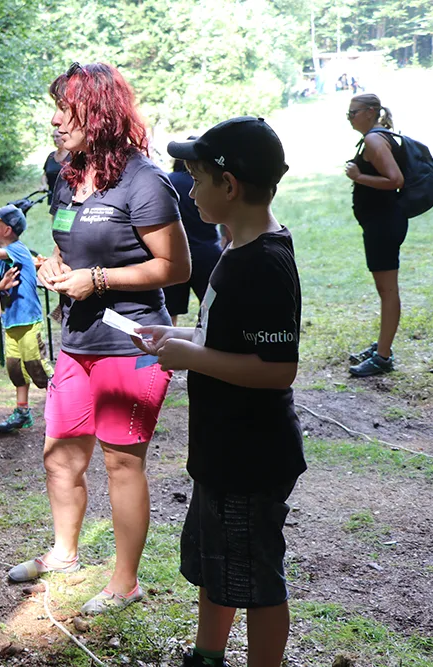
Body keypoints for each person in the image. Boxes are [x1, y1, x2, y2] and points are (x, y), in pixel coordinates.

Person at [7, 62, 190, 616]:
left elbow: (175, 266)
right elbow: (72, 246)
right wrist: (55, 267)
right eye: (56, 109)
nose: (56, 121)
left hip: (132, 343)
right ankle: (64, 554)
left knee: (120, 463)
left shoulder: (144, 179)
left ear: (101, 113)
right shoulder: (63, 173)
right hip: (77, 341)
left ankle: (124, 581)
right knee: (60, 455)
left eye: (68, 109)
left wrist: (101, 280)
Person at [137, 117, 306, 667]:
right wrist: (179, 336)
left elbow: (278, 369)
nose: (190, 190)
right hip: (223, 451)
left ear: (229, 187)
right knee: (218, 564)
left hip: (252, 456)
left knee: (255, 578)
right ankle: (207, 655)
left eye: (197, 178)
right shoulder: (237, 249)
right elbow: (223, 338)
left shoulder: (264, 262)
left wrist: (192, 357)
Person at [0, 204, 53, 433]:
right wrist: (0, 285)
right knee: (15, 369)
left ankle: (63, 405)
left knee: (37, 366)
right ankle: (22, 412)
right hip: (11, 322)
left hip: (28, 320)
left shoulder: (19, 250)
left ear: (6, 230)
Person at [344, 94, 406, 376]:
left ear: (370, 112)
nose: (350, 118)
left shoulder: (374, 140)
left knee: (388, 290)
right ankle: (383, 344)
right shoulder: (376, 137)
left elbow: (395, 180)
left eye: (353, 113)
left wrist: (358, 177)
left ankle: (383, 357)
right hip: (381, 223)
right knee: (385, 290)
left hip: (383, 224)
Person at [164, 147, 223, 324]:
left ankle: (168, 343)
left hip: (173, 254)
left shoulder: (167, 181)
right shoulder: (209, 181)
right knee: (215, 310)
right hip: (207, 252)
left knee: (169, 312)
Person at [42, 127, 71, 205]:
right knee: (54, 217)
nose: (55, 139)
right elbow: (45, 174)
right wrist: (44, 185)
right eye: (53, 137)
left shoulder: (72, 155)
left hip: (69, 198)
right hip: (53, 197)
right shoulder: (51, 156)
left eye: (57, 136)